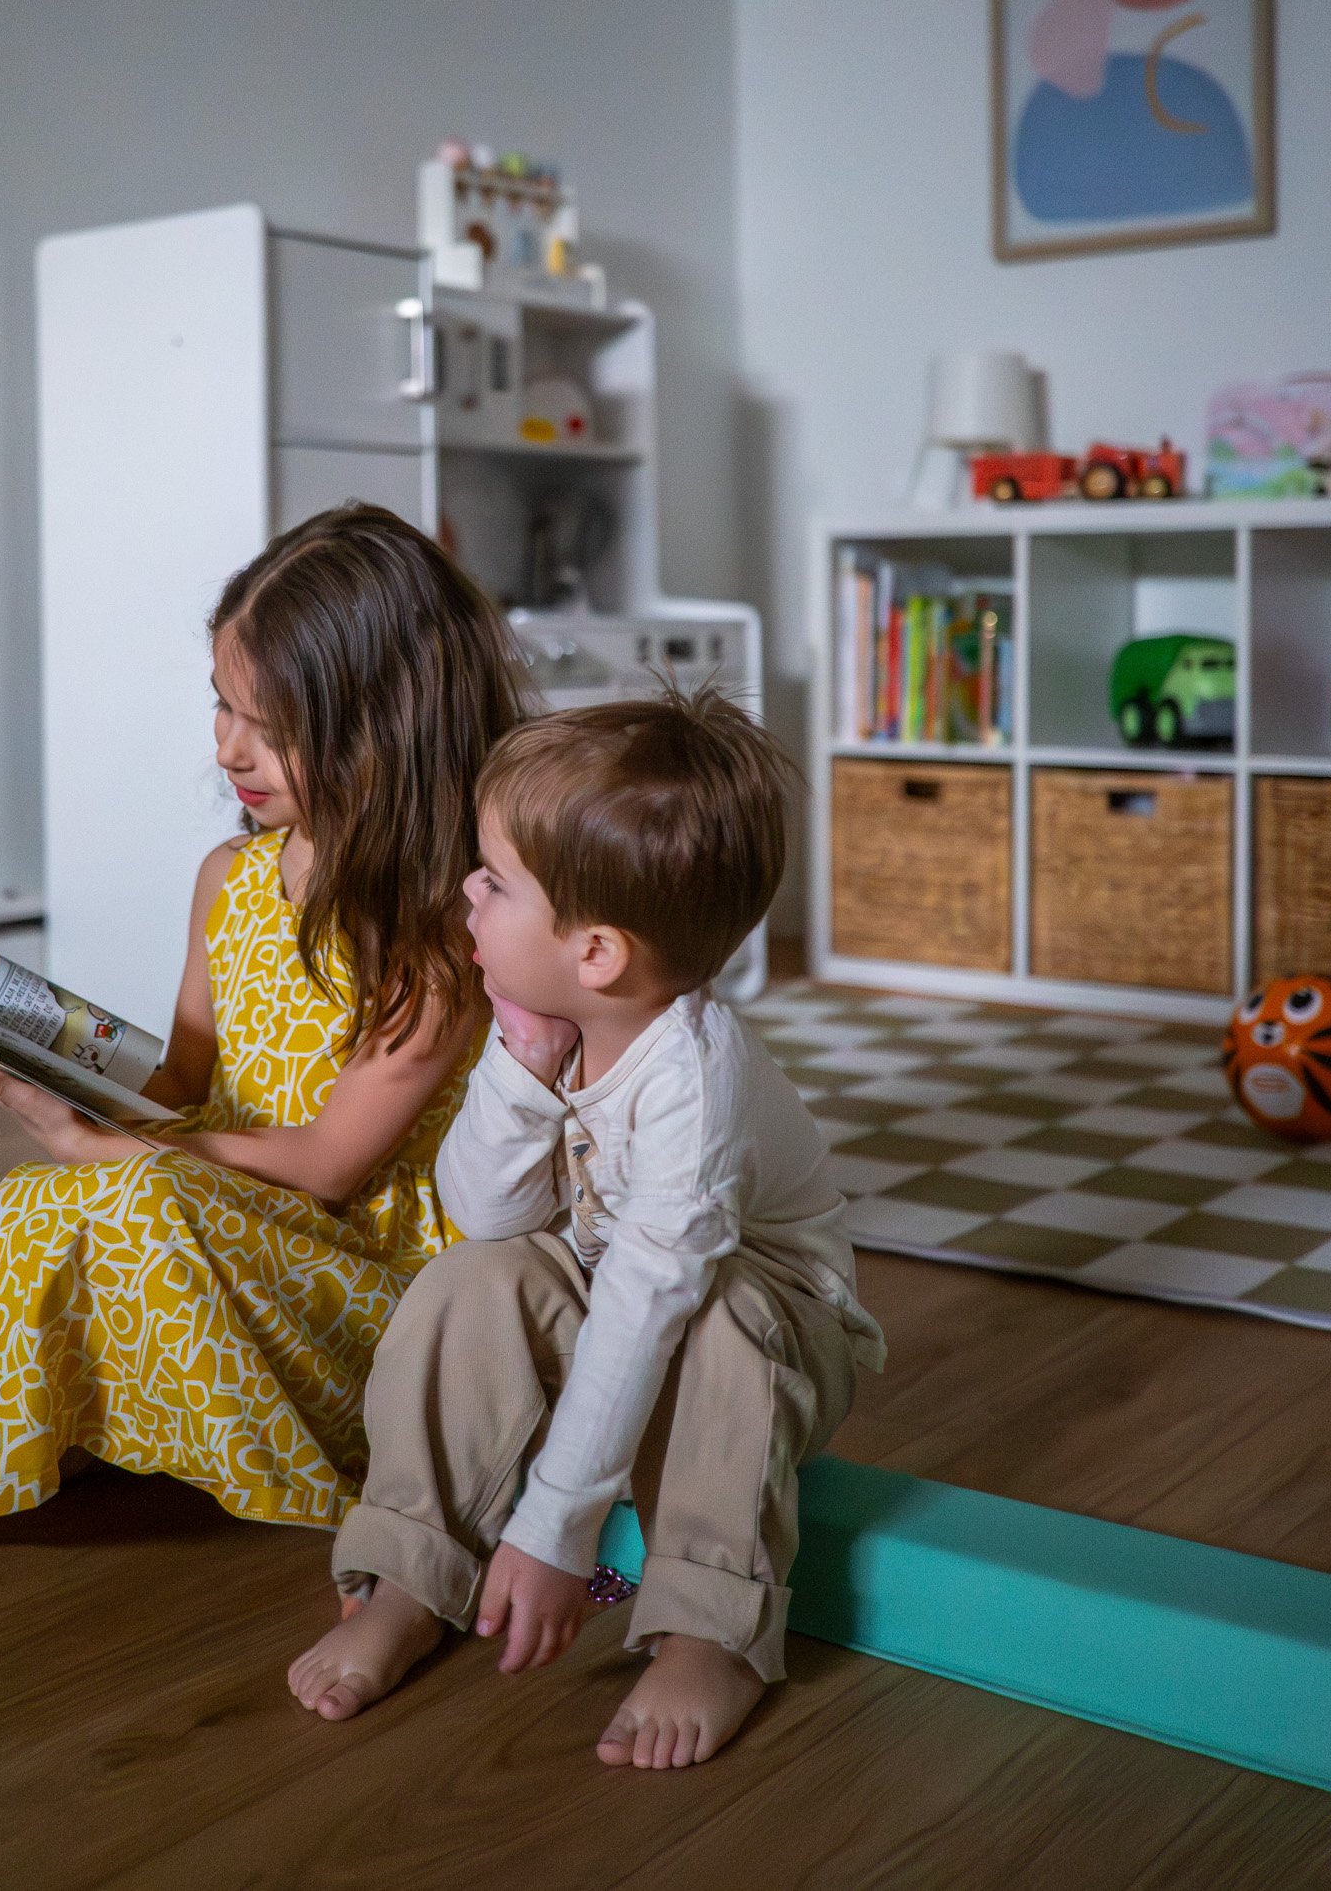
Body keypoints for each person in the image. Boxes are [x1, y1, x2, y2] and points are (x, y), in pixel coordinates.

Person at [0, 505, 526, 1543]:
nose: (229, 746)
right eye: (220, 707)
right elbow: (181, 1079)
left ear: (382, 726)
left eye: (271, 726)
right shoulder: (229, 877)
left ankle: (279, 1456)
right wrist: (56, 1073)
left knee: (140, 1195)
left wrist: (122, 1146)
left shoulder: (442, 928)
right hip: (221, 1199)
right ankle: (60, 1440)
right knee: (31, 1203)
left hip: (372, 1284)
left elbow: (326, 1166)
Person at [289, 688, 885, 1767]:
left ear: (596, 951)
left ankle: (712, 1630)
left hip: (773, 1329)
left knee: (719, 1313)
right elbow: (487, 1212)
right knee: (474, 1276)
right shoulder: (557, 1016)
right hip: (619, 1286)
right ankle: (411, 1565)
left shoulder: (691, 1076)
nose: (465, 891)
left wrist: (555, 1525)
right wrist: (516, 1067)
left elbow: (652, 1299)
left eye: (494, 880)